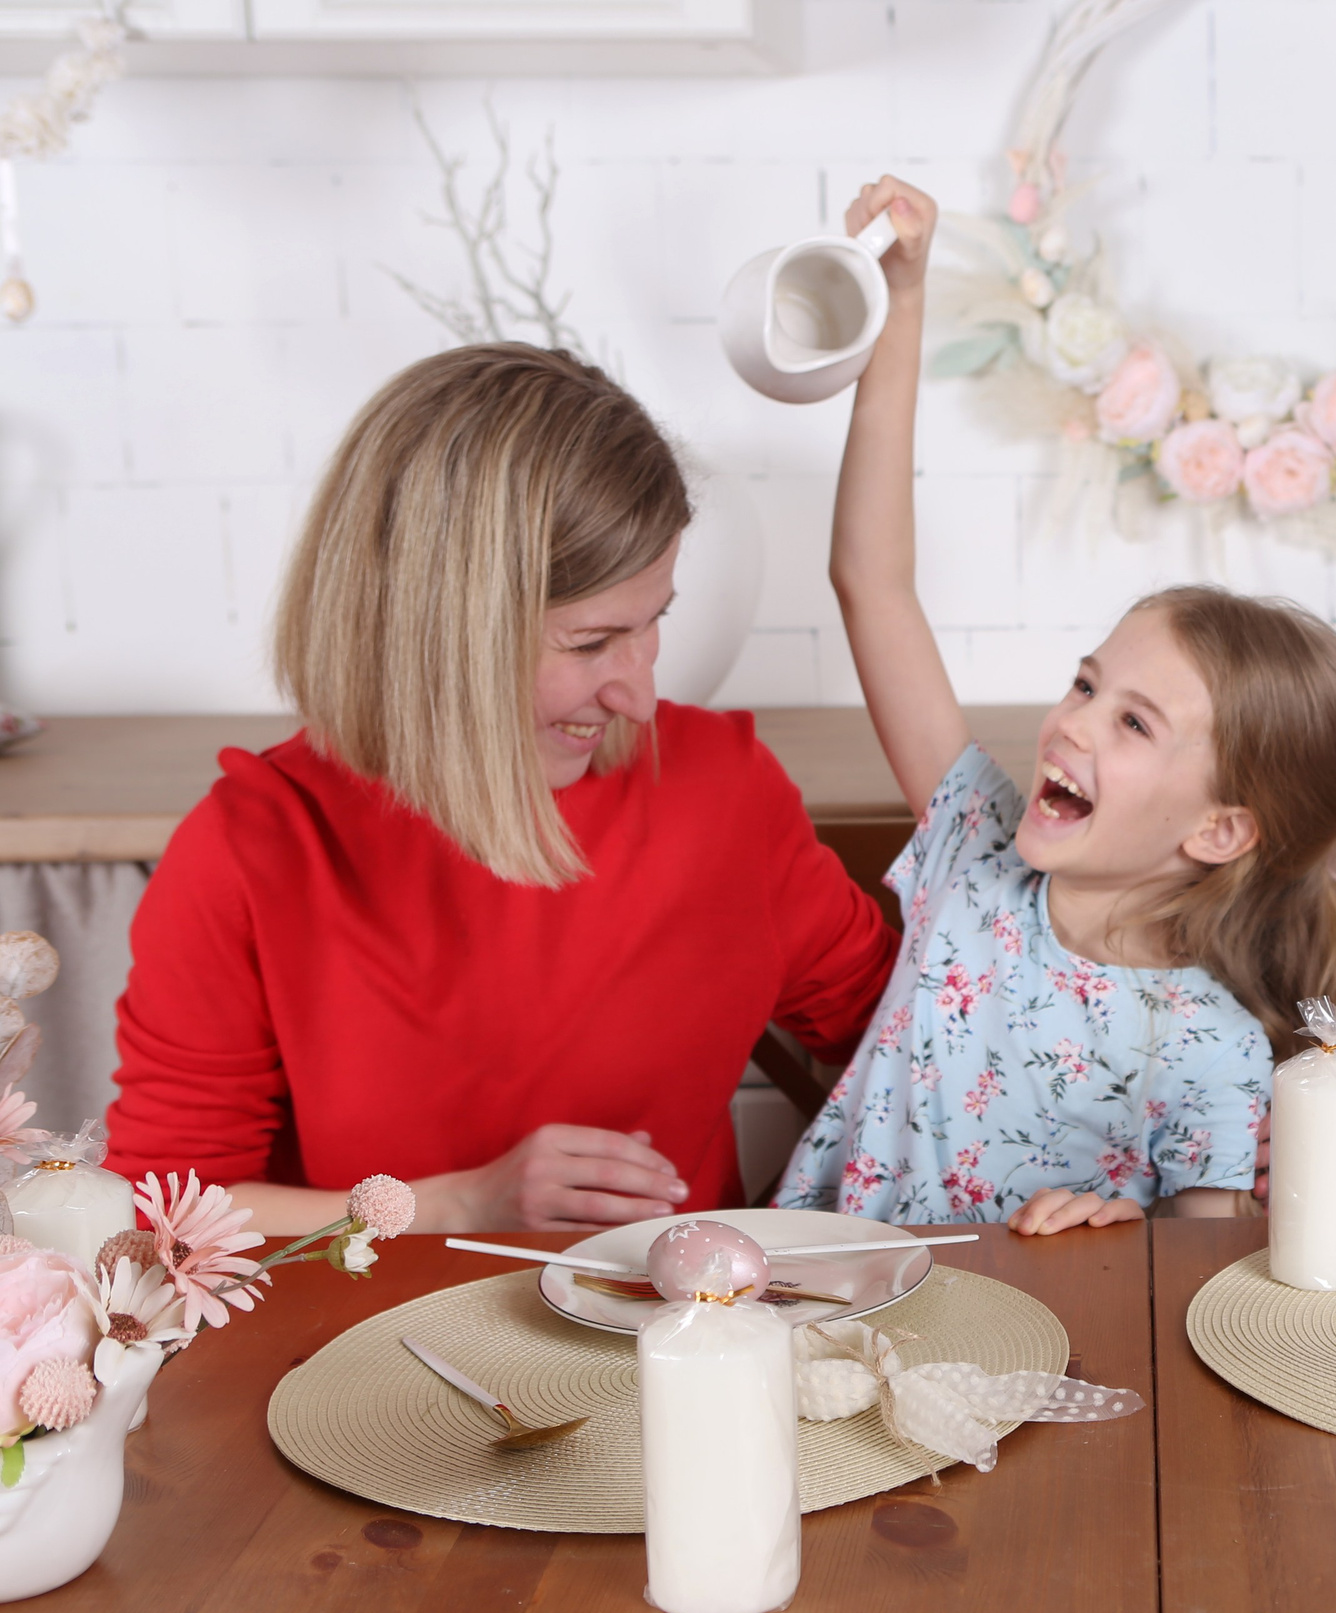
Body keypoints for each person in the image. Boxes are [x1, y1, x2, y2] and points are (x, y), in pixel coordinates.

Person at [104, 346, 900, 1235]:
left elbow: (916, 1037)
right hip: (368, 1357)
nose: (638, 693)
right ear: (440, 630)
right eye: (591, 643)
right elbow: (160, 1217)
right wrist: (455, 1205)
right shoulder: (257, 850)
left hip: (672, 1349)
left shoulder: (724, 790)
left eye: (653, 623)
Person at [771, 178, 1336, 1234]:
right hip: (830, 1309)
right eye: (1086, 684)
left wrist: (1125, 1236)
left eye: (1132, 722)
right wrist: (904, 303)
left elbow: (1203, 1288)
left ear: (1220, 827)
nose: (1072, 722)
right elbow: (871, 580)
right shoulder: (975, 850)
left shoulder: (1208, 1049)